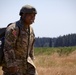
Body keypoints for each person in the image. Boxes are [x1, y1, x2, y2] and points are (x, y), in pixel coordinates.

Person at [2, 5, 38, 75]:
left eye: (34, 15)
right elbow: (8, 48)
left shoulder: (31, 30)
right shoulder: (14, 28)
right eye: (30, 15)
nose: (33, 17)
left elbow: (31, 47)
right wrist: (11, 65)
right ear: (23, 15)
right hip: (14, 68)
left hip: (28, 66)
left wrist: (32, 60)